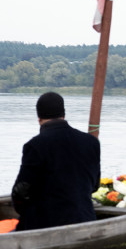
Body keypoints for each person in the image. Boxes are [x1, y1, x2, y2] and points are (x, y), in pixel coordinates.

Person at [11, 92, 101, 231]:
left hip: (45, 225)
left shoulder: (35, 145)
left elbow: (21, 192)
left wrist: (25, 212)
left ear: (39, 118)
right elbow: (95, 185)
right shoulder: (91, 142)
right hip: (85, 220)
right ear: (63, 114)